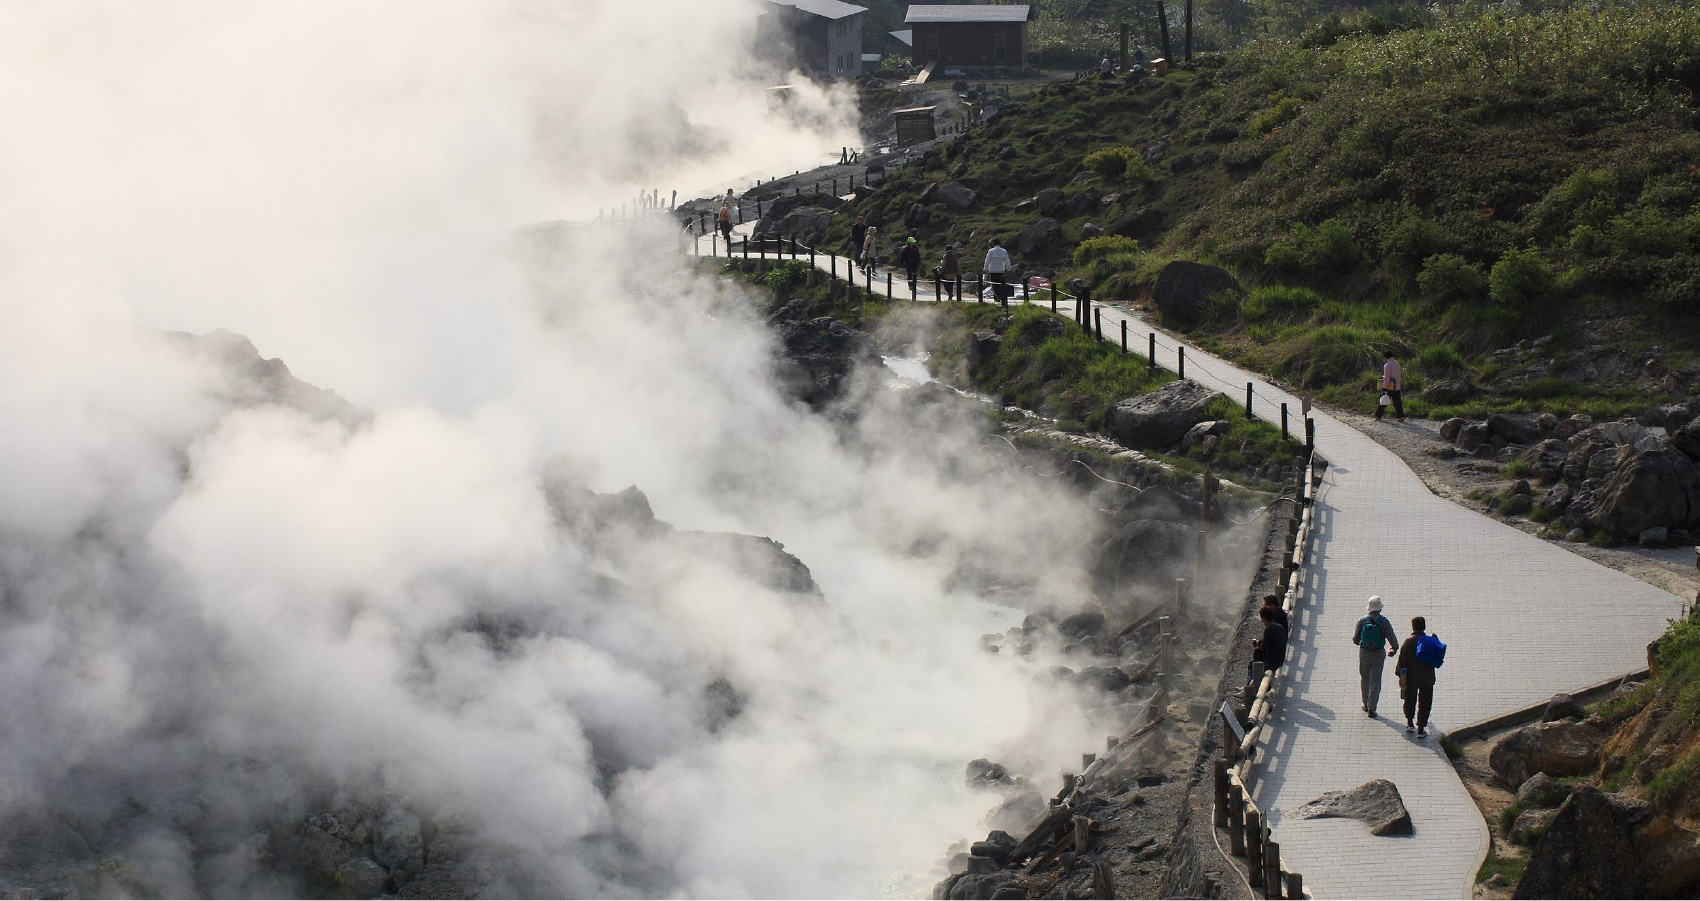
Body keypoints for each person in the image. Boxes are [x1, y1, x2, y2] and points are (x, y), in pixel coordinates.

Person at [1352, 596, 1399, 717]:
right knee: (1375, 681)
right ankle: (1372, 708)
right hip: (1378, 653)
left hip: (1364, 653)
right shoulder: (1383, 621)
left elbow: (1356, 640)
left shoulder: (1362, 621)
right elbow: (1391, 638)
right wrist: (1394, 648)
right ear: (1379, 609)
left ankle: (1365, 704)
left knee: (1364, 678)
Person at [1396, 616, 1439, 737]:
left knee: (1410, 699)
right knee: (1425, 702)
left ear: (1413, 627)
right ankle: (1421, 728)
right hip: (1427, 678)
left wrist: (1400, 676)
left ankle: (1410, 723)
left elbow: (1402, 661)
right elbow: (1437, 657)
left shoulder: (1408, 641)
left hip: (1411, 678)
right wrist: (1436, 640)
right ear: (1424, 627)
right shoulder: (1429, 641)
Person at [1249, 605, 1288, 683]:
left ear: (1264, 618)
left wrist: (1258, 645)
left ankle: (1249, 685)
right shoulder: (1279, 626)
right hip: (1281, 658)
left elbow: (1264, 648)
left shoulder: (1269, 629)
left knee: (1251, 665)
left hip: (1272, 662)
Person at [1376, 353, 1405, 421]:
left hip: (1389, 386)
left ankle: (1378, 415)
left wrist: (1384, 387)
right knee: (1397, 402)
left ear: (1386, 356)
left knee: (1384, 400)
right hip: (1397, 386)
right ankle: (1401, 416)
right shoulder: (1397, 363)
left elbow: (1387, 377)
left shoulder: (1387, 365)